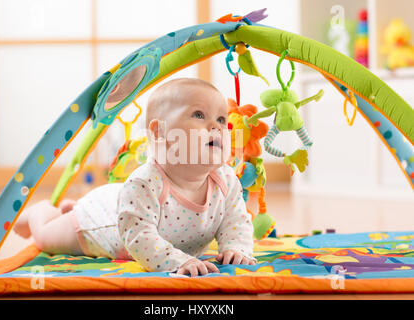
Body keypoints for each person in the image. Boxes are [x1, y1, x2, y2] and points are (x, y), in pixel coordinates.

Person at [14, 78, 256, 277]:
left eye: (221, 119)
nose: (216, 126)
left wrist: (236, 247)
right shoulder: (146, 182)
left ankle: (66, 210)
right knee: (46, 237)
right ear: (160, 132)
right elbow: (140, 237)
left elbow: (236, 220)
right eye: (199, 115)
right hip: (99, 222)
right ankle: (39, 213)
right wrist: (175, 260)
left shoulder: (225, 179)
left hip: (124, 203)